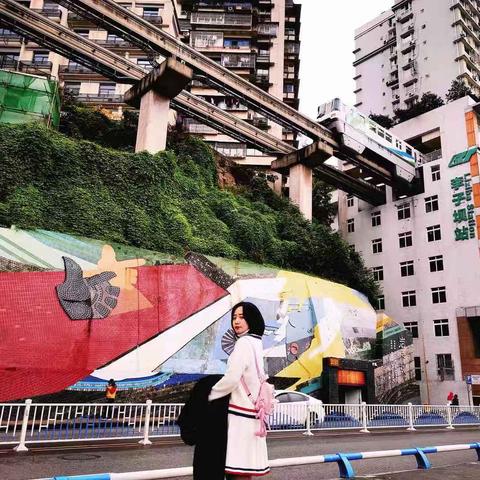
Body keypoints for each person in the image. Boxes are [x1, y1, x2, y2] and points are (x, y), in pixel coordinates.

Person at [209, 302, 270, 479]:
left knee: (235, 472)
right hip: (252, 415)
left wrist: (210, 394)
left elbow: (231, 378)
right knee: (244, 472)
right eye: (234, 317)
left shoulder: (243, 343)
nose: (236, 321)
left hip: (239, 417)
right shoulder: (256, 342)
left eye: (242, 317)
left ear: (252, 319)